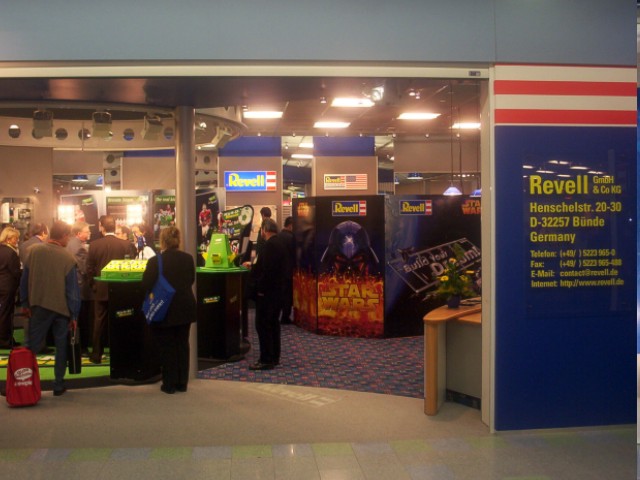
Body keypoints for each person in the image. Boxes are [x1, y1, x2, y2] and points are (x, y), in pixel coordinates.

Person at [20, 221, 80, 397]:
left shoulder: (34, 252)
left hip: (38, 305)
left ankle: (24, 383)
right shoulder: (68, 258)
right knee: (61, 347)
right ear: (64, 236)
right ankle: (58, 384)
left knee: (31, 346)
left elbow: (24, 280)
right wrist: (74, 315)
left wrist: (25, 303)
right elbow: (72, 292)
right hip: (61, 309)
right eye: (68, 236)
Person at [141, 226, 196, 394]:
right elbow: (191, 280)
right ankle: (182, 382)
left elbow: (146, 283)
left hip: (164, 308)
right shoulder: (188, 258)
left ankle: (169, 384)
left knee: (167, 346)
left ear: (162, 241)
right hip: (185, 306)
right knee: (182, 344)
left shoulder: (155, 261)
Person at [86, 215, 136, 364]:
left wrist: (94, 285)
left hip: (100, 290)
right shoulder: (125, 244)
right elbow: (130, 266)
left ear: (101, 227)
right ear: (115, 226)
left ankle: (97, 355)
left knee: (99, 323)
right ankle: (122, 354)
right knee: (122, 322)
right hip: (121, 291)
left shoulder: (94, 245)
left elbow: (89, 269)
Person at [249, 218, 287, 371]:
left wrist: (260, 289)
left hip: (267, 293)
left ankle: (266, 359)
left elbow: (267, 271)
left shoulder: (270, 245)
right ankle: (274, 357)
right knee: (273, 324)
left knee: (263, 325)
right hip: (277, 292)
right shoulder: (280, 243)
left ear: (264, 229)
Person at [66, 221, 92, 354]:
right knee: (81, 318)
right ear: (78, 233)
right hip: (80, 288)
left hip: (71, 287)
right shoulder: (79, 248)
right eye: (87, 231)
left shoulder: (69, 243)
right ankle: (82, 347)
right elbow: (84, 269)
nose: (89, 233)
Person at [0, 226, 21, 348]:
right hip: (7, 287)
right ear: (8, 238)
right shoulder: (11, 253)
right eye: (15, 238)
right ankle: (5, 340)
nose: (17, 240)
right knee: (6, 314)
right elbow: (15, 272)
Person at [277, 216, 295, 324]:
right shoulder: (291, 238)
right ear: (290, 225)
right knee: (288, 295)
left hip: (278, 271)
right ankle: (285, 317)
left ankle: (276, 315)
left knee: (279, 294)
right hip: (288, 271)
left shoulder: (278, 236)